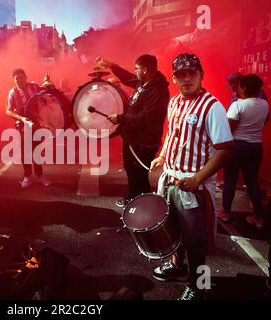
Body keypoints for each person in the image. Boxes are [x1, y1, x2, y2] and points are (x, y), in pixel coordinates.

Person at [150, 53, 234, 300]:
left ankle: (200, 286)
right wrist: (163, 155)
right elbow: (172, 134)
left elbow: (225, 150)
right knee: (174, 231)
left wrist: (198, 178)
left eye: (191, 73)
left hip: (194, 186)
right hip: (171, 179)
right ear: (174, 78)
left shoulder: (212, 106)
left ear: (201, 75)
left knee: (196, 241)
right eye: (180, 75)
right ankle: (178, 267)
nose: (186, 79)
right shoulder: (174, 102)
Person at [95, 55, 170, 208]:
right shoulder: (143, 82)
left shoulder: (158, 90)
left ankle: (142, 205)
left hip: (144, 141)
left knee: (139, 174)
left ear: (146, 70)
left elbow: (146, 117)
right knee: (131, 170)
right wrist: (111, 65)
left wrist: (121, 119)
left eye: (137, 69)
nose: (134, 72)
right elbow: (126, 77)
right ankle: (133, 198)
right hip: (132, 138)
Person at [217, 74, 270, 229]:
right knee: (252, 181)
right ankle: (258, 217)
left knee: (230, 180)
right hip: (256, 147)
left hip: (237, 146)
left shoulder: (238, 105)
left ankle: (226, 212)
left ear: (244, 87)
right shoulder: (264, 104)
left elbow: (228, 128)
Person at [6, 68, 51, 188]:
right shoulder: (13, 93)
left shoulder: (34, 86)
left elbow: (46, 90)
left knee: (37, 150)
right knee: (25, 151)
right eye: (16, 78)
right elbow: (8, 110)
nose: (19, 80)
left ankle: (40, 175)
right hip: (23, 124)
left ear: (26, 77)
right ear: (13, 80)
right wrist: (21, 118)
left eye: (21, 77)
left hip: (37, 123)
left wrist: (46, 81)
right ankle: (27, 176)